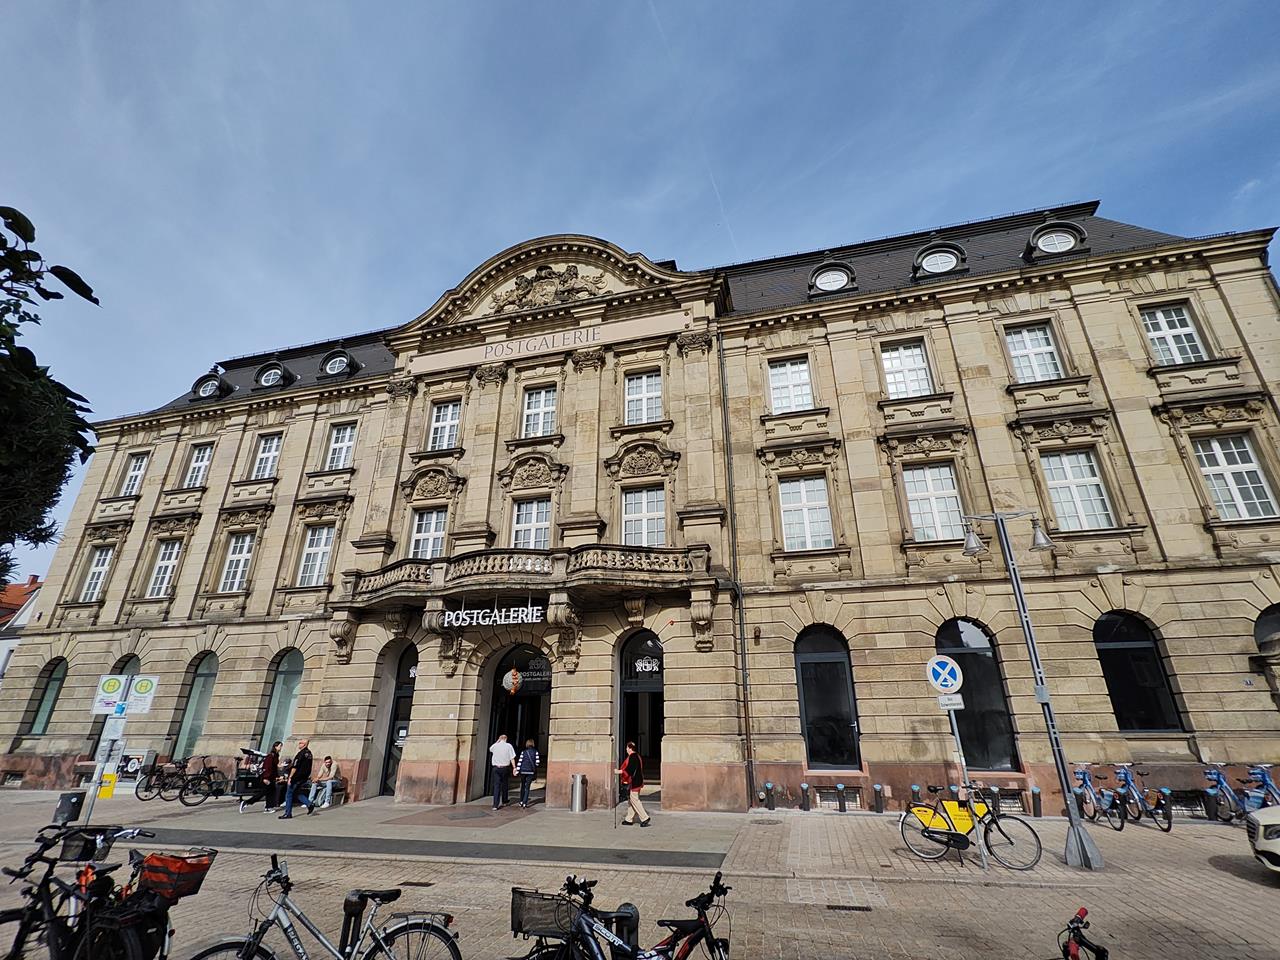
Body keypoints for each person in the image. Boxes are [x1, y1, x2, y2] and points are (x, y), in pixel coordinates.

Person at [280, 738, 317, 818]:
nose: (299, 744)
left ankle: (288, 813)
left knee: (289, 794)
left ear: (304, 744)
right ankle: (309, 804)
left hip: (296, 777)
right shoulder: (309, 754)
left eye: (300, 743)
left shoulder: (300, 754)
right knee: (297, 792)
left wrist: (290, 777)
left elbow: (295, 767)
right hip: (304, 777)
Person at [618, 741, 650, 827]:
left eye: (627, 747)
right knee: (631, 800)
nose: (626, 749)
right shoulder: (636, 756)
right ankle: (629, 819)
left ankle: (645, 817)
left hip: (634, 782)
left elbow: (629, 770)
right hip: (637, 781)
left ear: (630, 748)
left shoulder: (633, 757)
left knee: (634, 800)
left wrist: (619, 771)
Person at [489, 733, 517, 810]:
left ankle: (495, 805)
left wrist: (497, 741)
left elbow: (490, 749)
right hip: (505, 768)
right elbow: (512, 758)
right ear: (506, 739)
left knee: (497, 786)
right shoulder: (509, 746)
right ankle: (504, 801)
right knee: (505, 784)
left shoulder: (495, 746)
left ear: (499, 739)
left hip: (496, 768)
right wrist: (514, 767)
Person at [258, 741, 283, 812]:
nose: (281, 748)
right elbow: (268, 767)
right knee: (267, 792)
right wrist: (265, 777)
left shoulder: (276, 755)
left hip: (271, 776)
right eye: (280, 746)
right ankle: (248, 802)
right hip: (268, 777)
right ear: (275, 746)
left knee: (270, 791)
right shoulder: (271, 755)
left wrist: (277, 775)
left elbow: (274, 767)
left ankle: (269, 807)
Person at [516, 739, 539, 808]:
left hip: (523, 771)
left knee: (523, 786)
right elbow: (537, 763)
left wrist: (517, 770)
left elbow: (520, 762)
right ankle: (525, 803)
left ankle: (521, 801)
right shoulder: (536, 752)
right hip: (530, 771)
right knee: (527, 787)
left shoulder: (523, 752)